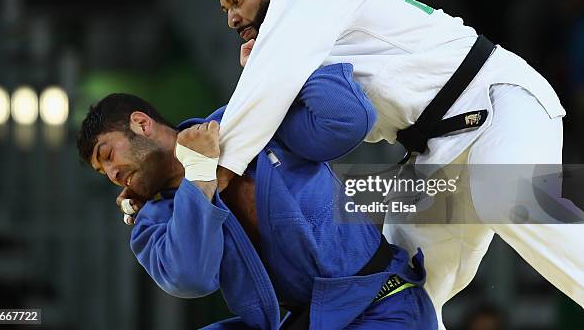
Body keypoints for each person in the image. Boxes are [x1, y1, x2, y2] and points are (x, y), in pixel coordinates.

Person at [211, 0, 583, 328]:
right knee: (400, 287)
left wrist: (214, 168)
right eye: (225, 9)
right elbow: (297, 104)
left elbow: (267, 85)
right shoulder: (307, 44)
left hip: (498, 100)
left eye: (236, 0)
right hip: (436, 148)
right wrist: (265, 70)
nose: (232, 18)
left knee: (510, 199)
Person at [76, 64, 438, 329]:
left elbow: (349, 121)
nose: (112, 174)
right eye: (102, 172)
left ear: (141, 124)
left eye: (108, 155)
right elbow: (192, 277)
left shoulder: (244, 123)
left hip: (384, 302)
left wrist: (287, 62)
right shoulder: (152, 222)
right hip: (308, 320)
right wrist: (199, 174)